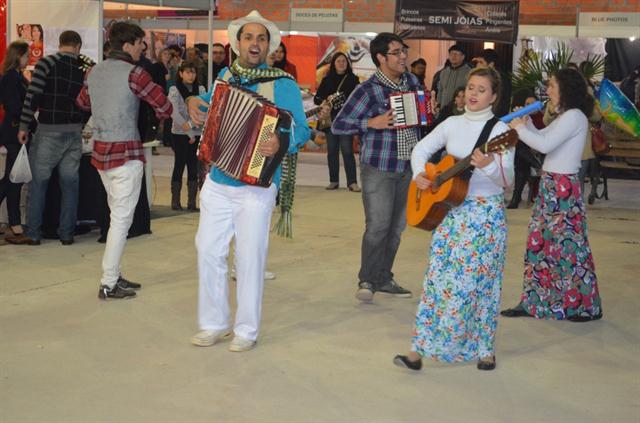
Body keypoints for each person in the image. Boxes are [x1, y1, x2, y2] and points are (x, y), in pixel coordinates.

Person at [186, 11, 310, 352]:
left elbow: (301, 128)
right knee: (208, 251)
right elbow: (209, 108)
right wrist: (192, 101)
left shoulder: (282, 84)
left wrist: (279, 142)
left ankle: (246, 330)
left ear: (269, 46)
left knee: (251, 257)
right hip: (219, 179)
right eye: (248, 38)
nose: (254, 44)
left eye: (261, 39)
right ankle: (213, 323)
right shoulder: (225, 76)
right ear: (237, 43)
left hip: (256, 185)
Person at [394, 67, 514, 372]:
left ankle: (484, 348)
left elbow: (506, 180)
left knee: (479, 285)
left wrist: (487, 166)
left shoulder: (500, 132)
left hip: (485, 215)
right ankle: (416, 350)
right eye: (471, 87)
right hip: (450, 213)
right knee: (438, 281)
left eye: (482, 90)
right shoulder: (451, 123)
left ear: (494, 97)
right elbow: (421, 148)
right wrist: (422, 173)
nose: (473, 94)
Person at [76, 21, 172, 300]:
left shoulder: (93, 71)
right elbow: (163, 105)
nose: (143, 47)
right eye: (140, 42)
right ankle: (108, 282)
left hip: (101, 152)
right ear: (128, 45)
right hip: (126, 153)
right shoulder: (135, 74)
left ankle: (114, 274)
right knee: (121, 220)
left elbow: (82, 102)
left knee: (116, 215)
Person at [501, 68, 603, 322]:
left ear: (566, 89)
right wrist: (524, 125)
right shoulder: (566, 116)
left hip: (562, 187)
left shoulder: (575, 116)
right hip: (552, 184)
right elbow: (543, 137)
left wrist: (519, 128)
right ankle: (534, 302)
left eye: (553, 86)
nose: (548, 91)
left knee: (570, 249)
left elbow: (545, 146)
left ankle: (584, 305)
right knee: (540, 245)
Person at [332, 32, 422, 302]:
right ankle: (367, 280)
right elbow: (339, 124)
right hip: (379, 168)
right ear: (381, 58)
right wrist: (370, 123)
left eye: (403, 50)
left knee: (396, 229)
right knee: (378, 226)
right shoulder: (368, 89)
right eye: (397, 52)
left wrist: (428, 108)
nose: (403, 56)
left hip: (409, 165)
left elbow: (419, 118)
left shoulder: (412, 81)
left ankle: (384, 277)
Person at [6, 31, 88, 246]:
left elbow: (33, 97)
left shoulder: (46, 63)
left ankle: (33, 233)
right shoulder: (85, 67)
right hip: (74, 133)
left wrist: (24, 126)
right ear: (78, 46)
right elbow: (89, 101)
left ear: (60, 44)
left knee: (39, 184)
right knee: (70, 185)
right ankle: (67, 234)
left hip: (49, 131)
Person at [314, 52, 360, 192]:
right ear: (334, 63)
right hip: (330, 120)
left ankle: (352, 182)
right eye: (339, 61)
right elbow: (317, 98)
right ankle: (333, 181)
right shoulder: (327, 79)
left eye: (344, 61)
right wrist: (325, 102)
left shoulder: (353, 79)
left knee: (347, 151)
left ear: (348, 63)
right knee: (332, 151)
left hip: (346, 120)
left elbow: (358, 99)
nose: (341, 63)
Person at [0, 41, 30, 241]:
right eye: (26, 55)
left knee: (12, 178)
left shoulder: (17, 76)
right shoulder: (11, 77)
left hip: (16, 130)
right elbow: (14, 106)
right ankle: (15, 225)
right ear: (17, 56)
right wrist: (30, 123)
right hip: (14, 132)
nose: (28, 59)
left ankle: (15, 224)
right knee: (13, 179)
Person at [168, 61, 205, 211]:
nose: (191, 75)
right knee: (179, 164)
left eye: (193, 72)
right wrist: (188, 130)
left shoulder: (201, 89)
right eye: (188, 72)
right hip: (179, 133)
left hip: (196, 132)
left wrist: (192, 127)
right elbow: (173, 112)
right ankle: (175, 201)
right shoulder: (174, 89)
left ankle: (192, 202)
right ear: (181, 73)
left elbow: (204, 110)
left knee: (193, 166)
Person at [507, 89, 544, 209]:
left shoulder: (542, 118)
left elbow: (540, 137)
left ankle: (515, 199)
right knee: (521, 157)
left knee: (521, 157)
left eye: (533, 104)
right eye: (527, 104)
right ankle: (536, 164)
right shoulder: (524, 117)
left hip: (535, 148)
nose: (530, 107)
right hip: (522, 150)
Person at [472, 49, 512, 117]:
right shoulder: (483, 77)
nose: (477, 65)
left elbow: (500, 103)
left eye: (481, 62)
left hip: (495, 118)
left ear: (491, 64)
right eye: (477, 62)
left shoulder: (501, 80)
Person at [437, 44, 471, 111]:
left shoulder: (469, 72)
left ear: (463, 57)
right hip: (444, 110)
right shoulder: (444, 72)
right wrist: (438, 105)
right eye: (451, 54)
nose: (454, 56)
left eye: (457, 54)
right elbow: (440, 90)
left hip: (460, 111)